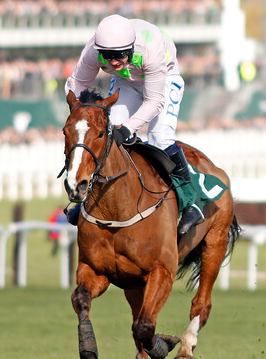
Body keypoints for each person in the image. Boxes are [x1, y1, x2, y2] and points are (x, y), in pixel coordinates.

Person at [64, 14, 203, 235]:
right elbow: (76, 84)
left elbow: (154, 101)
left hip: (163, 78)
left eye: (119, 54)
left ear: (130, 48)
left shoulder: (150, 50)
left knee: (160, 137)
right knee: (108, 135)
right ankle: (87, 199)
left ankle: (191, 203)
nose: (112, 61)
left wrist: (129, 129)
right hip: (126, 81)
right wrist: (81, 113)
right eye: (107, 56)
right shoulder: (94, 51)